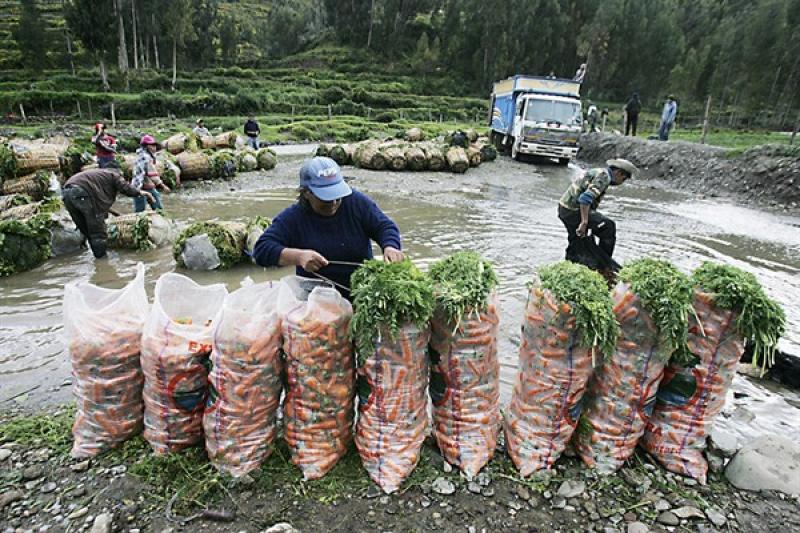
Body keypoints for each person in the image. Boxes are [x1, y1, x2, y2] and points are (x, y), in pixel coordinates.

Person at [253, 156, 404, 296]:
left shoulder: (356, 203)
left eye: (337, 196)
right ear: (306, 193)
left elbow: (384, 227)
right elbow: (261, 250)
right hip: (315, 296)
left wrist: (390, 246)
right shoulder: (293, 218)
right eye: (325, 198)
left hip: (361, 291)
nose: (333, 203)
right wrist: (299, 257)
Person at [557, 159, 638, 273]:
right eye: (623, 179)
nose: (621, 182)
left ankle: (574, 265)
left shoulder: (599, 171)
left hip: (565, 208)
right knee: (608, 226)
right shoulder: (604, 177)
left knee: (579, 239)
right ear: (619, 173)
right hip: (573, 211)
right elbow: (585, 199)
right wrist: (584, 222)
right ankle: (604, 266)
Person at [62, 163, 154, 259]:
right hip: (81, 192)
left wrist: (116, 214)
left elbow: (96, 203)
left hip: (66, 193)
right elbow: (125, 188)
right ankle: (102, 262)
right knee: (98, 232)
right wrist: (141, 193)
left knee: (86, 230)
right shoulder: (113, 175)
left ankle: (93, 256)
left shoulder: (98, 176)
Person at [132, 135, 169, 212]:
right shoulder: (145, 157)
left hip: (144, 185)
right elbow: (152, 174)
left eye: (154, 145)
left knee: (156, 203)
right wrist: (163, 186)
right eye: (152, 145)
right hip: (139, 187)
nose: (154, 147)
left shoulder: (142, 155)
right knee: (141, 210)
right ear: (146, 147)